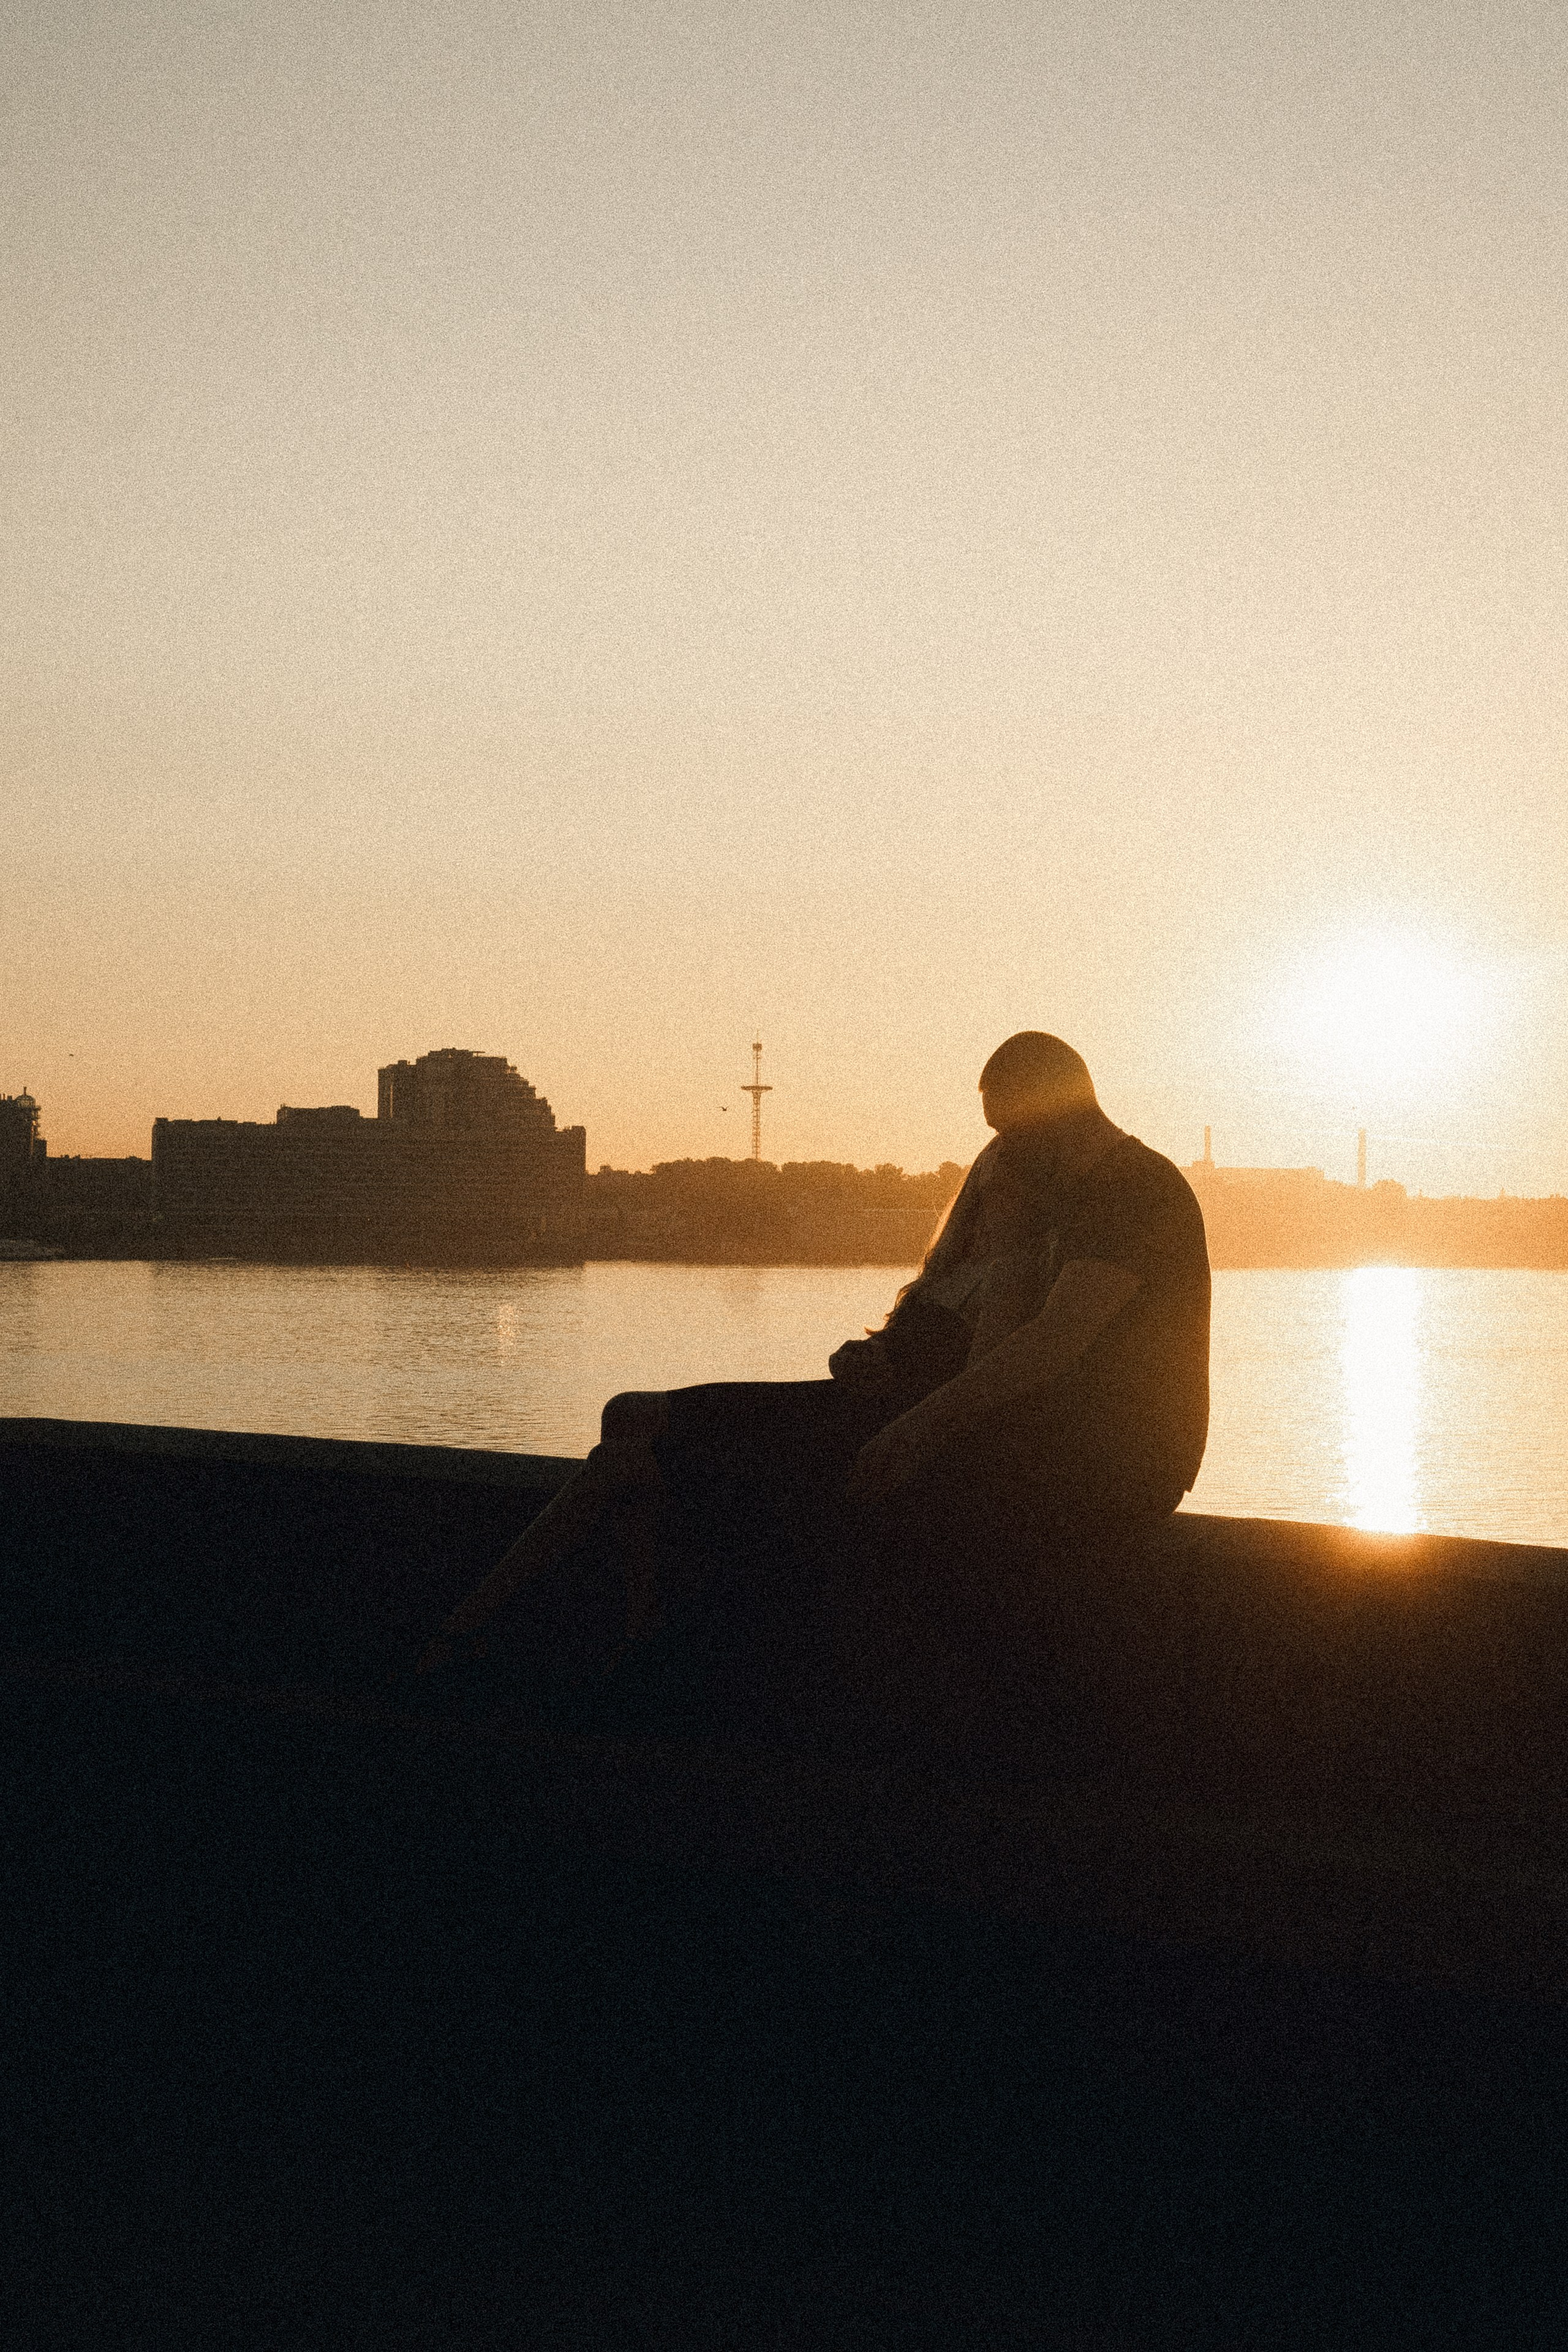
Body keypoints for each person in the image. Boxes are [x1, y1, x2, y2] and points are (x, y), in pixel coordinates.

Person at [415, 1033, 1210, 1752]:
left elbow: (1051, 1344)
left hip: (1112, 1456)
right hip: (1012, 1431)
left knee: (670, 1462)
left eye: (1009, 1127)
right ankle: (604, 1643)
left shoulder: (1132, 1191)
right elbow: (986, 1337)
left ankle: (538, 1641)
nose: (997, 1144)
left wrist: (914, 1430)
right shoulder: (1050, 1194)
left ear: (1057, 1107)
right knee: (646, 1431)